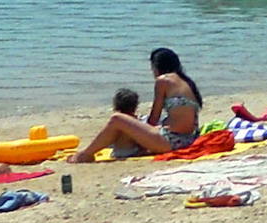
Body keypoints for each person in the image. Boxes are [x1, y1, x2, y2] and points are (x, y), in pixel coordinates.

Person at [68, 48, 203, 163]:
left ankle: (86, 155)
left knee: (117, 119)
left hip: (172, 141)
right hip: (188, 139)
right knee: (132, 123)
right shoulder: (186, 82)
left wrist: (139, 129)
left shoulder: (163, 81)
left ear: (157, 66)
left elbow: (153, 119)